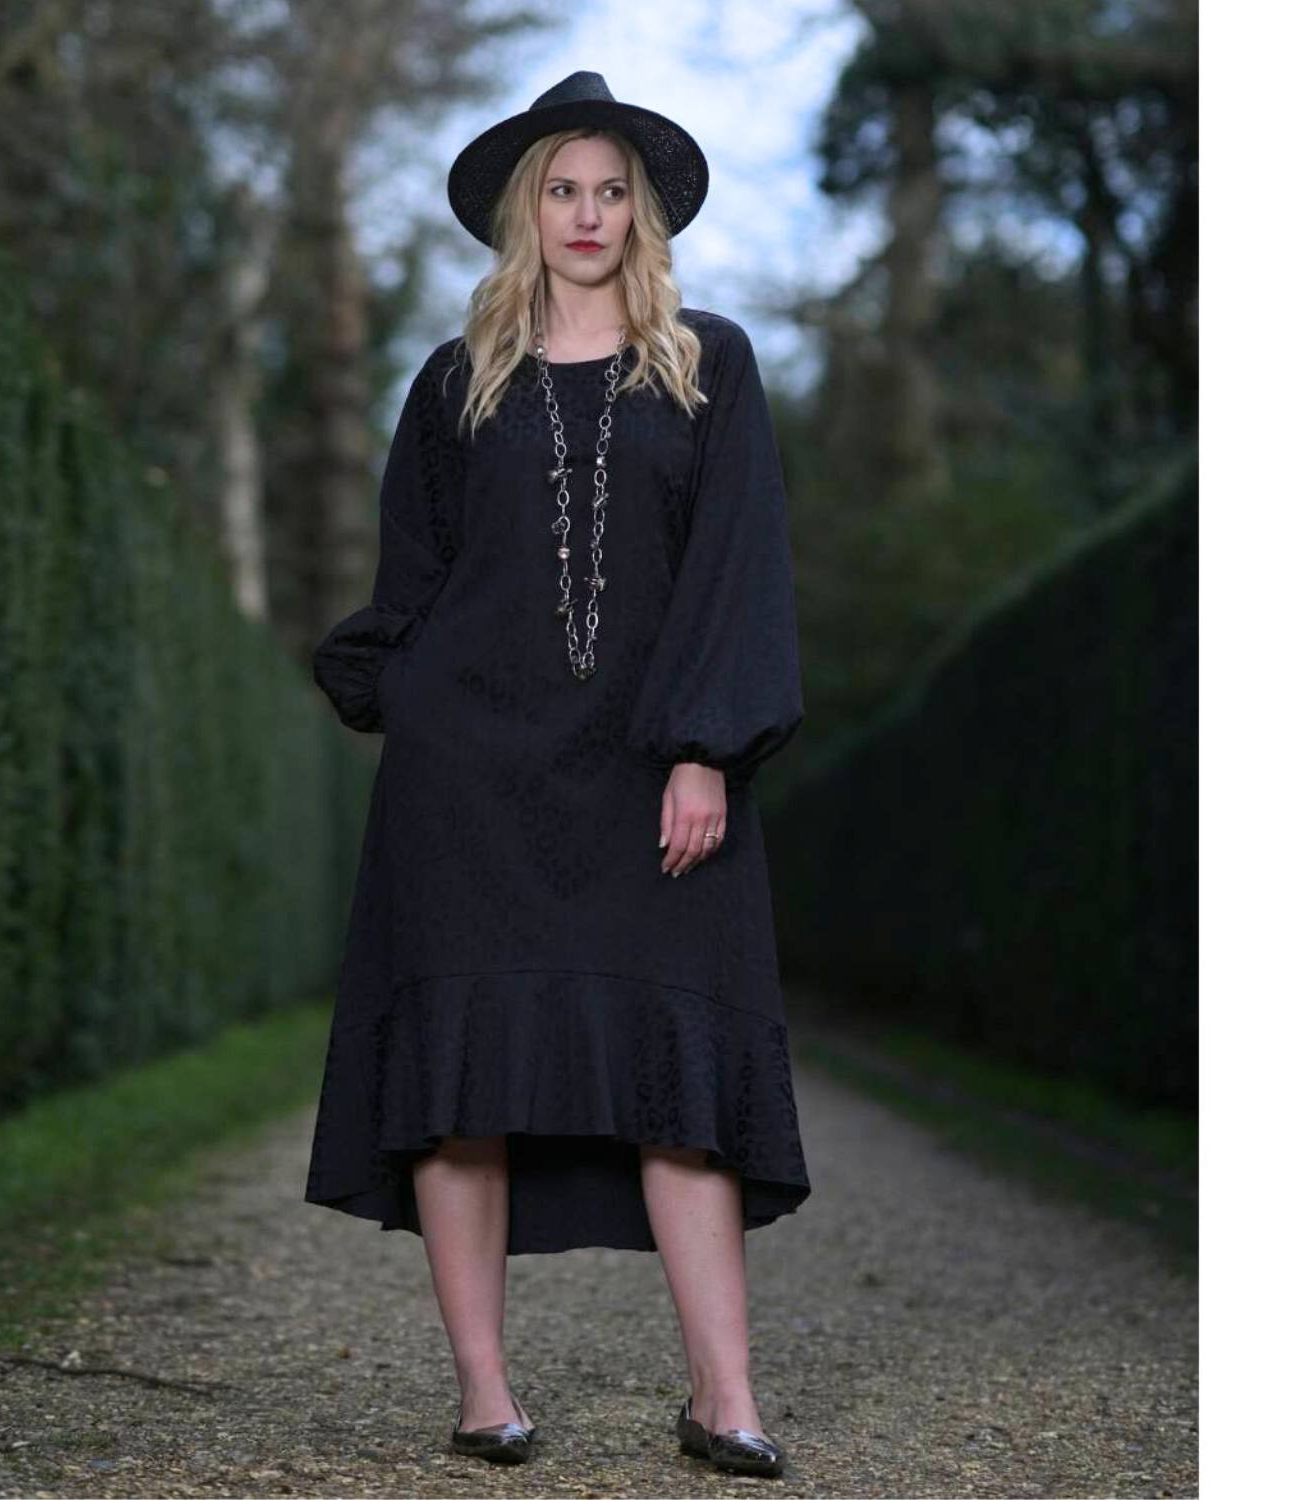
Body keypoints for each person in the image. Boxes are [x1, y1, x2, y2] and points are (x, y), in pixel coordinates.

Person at [305, 71, 808, 1479]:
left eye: (611, 192)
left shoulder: (707, 364)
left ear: (641, 215)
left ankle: (725, 1400)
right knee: (462, 1080)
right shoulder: (454, 379)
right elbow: (414, 573)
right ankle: (486, 1396)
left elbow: (738, 570)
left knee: (679, 1075)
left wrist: (704, 746)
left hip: (651, 776)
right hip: (468, 784)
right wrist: (411, 698)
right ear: (525, 211)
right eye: (562, 190)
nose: (587, 214)